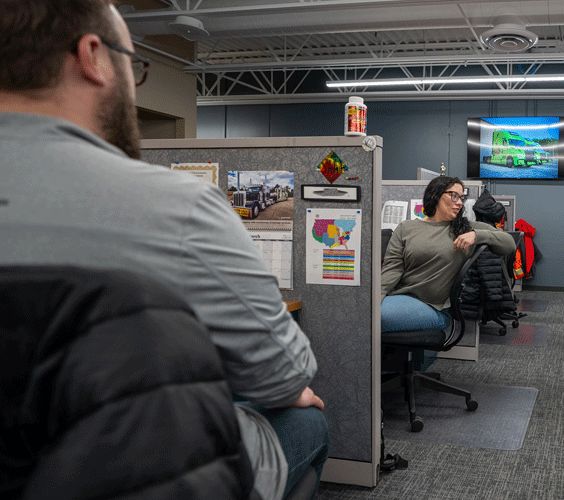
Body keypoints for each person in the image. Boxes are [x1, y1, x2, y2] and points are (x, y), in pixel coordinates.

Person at [0, 2, 328, 499]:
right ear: (92, 56)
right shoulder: (179, 207)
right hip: (124, 475)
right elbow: (285, 374)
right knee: (302, 418)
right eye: (133, 64)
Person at [382, 176, 516, 331]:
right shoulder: (406, 228)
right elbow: (392, 270)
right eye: (454, 196)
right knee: (366, 313)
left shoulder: (464, 228)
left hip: (434, 308)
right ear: (435, 195)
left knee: (372, 319)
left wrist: (477, 235)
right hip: (399, 298)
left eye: (461, 198)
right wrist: (374, 299)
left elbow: (510, 243)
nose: (459, 202)